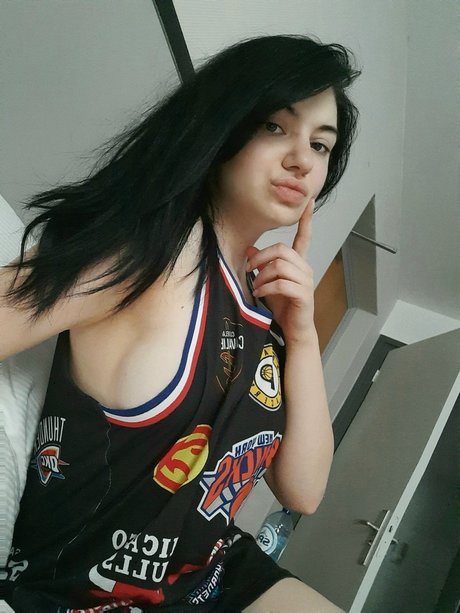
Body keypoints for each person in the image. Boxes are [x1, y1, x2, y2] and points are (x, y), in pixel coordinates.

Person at [0, 33, 360, 612]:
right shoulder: (146, 252)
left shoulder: (266, 312)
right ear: (222, 125)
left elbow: (304, 491)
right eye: (275, 126)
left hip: (216, 571)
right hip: (85, 589)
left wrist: (302, 335)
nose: (302, 159)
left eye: (321, 145)